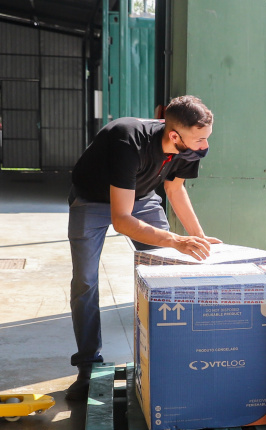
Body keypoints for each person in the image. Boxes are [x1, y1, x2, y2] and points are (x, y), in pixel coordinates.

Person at [66, 95, 221, 401]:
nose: (205, 146)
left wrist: (198, 238)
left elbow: (174, 190)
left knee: (165, 270)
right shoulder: (129, 140)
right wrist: (177, 240)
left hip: (141, 196)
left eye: (207, 137)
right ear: (174, 135)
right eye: (200, 139)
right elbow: (121, 220)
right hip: (91, 200)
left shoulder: (191, 146)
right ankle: (87, 365)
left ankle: (169, 357)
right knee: (85, 281)